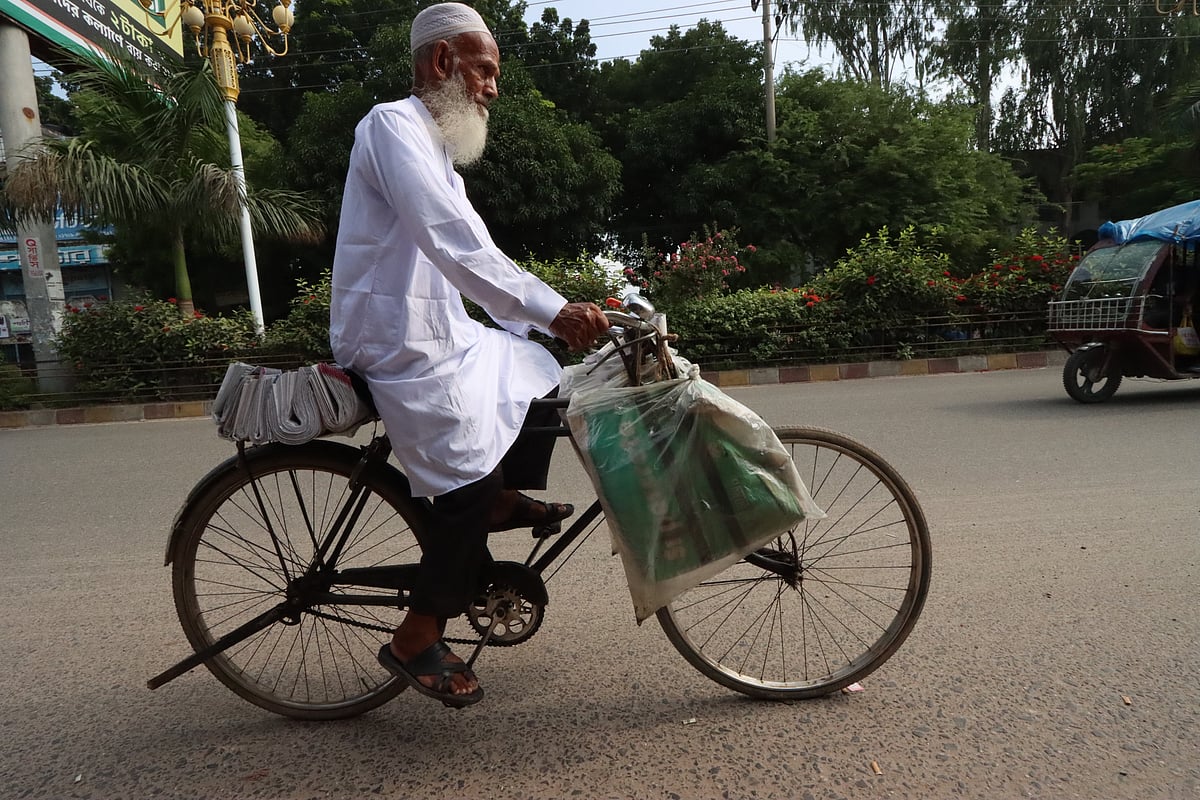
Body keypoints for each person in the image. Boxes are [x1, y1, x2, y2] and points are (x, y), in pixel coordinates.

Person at [328, 2, 610, 708]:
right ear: (443, 62)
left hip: (437, 334)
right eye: (484, 70)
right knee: (461, 489)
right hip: (393, 341)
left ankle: (498, 496)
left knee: (536, 374)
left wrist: (546, 314)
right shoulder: (391, 127)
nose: (492, 87)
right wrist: (553, 309)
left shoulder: (435, 148)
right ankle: (416, 636)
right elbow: (455, 242)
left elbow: (476, 252)